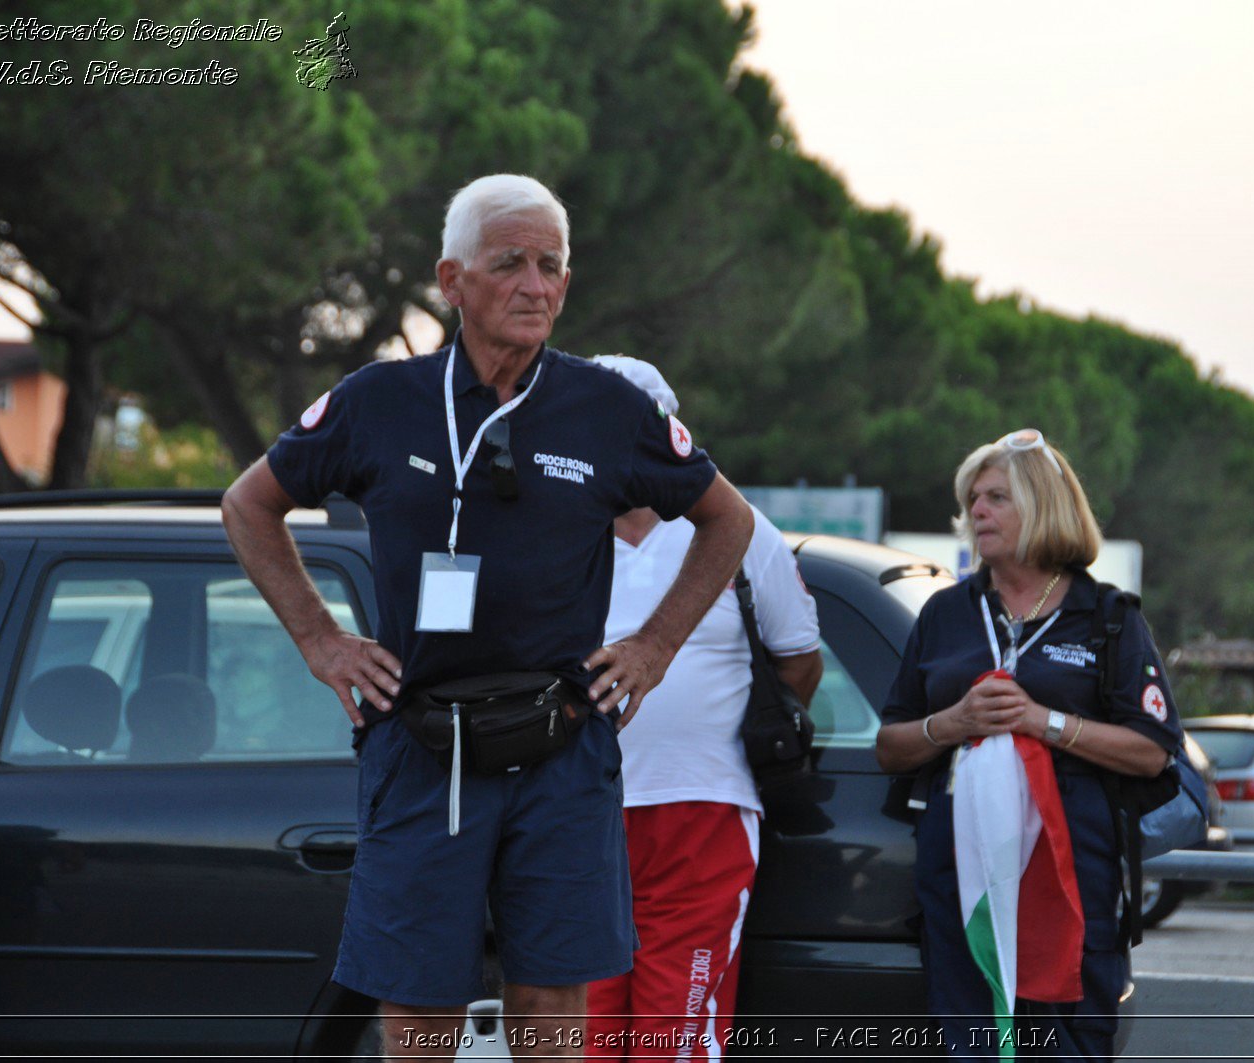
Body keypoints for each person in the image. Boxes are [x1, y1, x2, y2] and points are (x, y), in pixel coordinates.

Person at [220, 174, 754, 1059]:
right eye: (509, 264)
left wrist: (654, 646)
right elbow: (249, 504)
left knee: (550, 994)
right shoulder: (377, 402)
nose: (535, 286)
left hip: (562, 741)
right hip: (422, 742)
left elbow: (726, 519)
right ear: (452, 278)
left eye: (552, 267)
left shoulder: (609, 409)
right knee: (418, 1000)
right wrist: (321, 638)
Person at [875, 430, 1183, 1060]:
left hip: (1072, 887)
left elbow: (1153, 750)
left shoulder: (1109, 617)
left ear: (1044, 506)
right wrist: (954, 721)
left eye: (996, 498)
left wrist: (1042, 721)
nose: (976, 512)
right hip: (963, 885)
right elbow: (891, 745)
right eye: (972, 500)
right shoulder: (944, 614)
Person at [582, 356, 824, 1061]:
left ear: (672, 431)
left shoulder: (743, 532)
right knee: (584, 1039)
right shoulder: (553, 532)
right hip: (573, 813)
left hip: (703, 813)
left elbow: (798, 662)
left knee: (675, 1042)